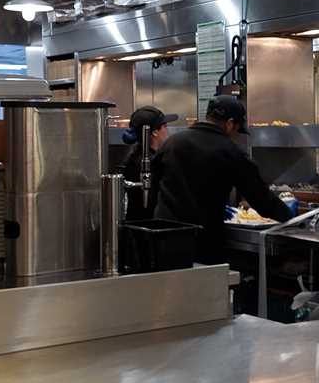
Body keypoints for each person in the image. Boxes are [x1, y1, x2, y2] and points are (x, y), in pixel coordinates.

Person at [148, 94, 291, 262]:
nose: (235, 134)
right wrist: (292, 220)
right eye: (237, 129)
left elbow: (153, 188)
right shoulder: (230, 152)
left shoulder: (172, 143)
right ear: (230, 123)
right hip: (202, 242)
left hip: (163, 236)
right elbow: (261, 198)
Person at [119, 105, 177, 220]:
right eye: (164, 126)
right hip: (148, 227)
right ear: (155, 132)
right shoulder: (148, 162)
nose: (167, 131)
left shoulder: (135, 155)